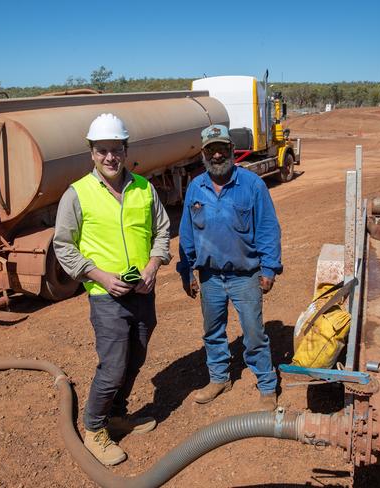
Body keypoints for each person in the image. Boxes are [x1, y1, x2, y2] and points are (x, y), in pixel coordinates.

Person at [53, 113, 171, 466]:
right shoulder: (77, 194)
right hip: (107, 297)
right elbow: (63, 245)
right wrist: (99, 276)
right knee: (114, 365)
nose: (109, 157)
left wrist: (153, 265)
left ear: (125, 150)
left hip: (143, 291)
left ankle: (118, 414)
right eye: (102, 150)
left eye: (115, 150)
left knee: (136, 357)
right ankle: (94, 428)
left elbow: (162, 231)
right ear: (91, 152)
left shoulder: (143, 188)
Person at [177, 124, 282, 410]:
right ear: (203, 153)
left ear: (232, 151)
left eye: (222, 148)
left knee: (253, 332)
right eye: (211, 150)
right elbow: (187, 231)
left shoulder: (252, 184)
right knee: (212, 332)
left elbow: (268, 228)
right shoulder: (195, 186)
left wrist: (269, 269)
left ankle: (266, 385)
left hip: (245, 275)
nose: (218, 155)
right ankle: (219, 378)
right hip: (209, 276)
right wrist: (186, 270)